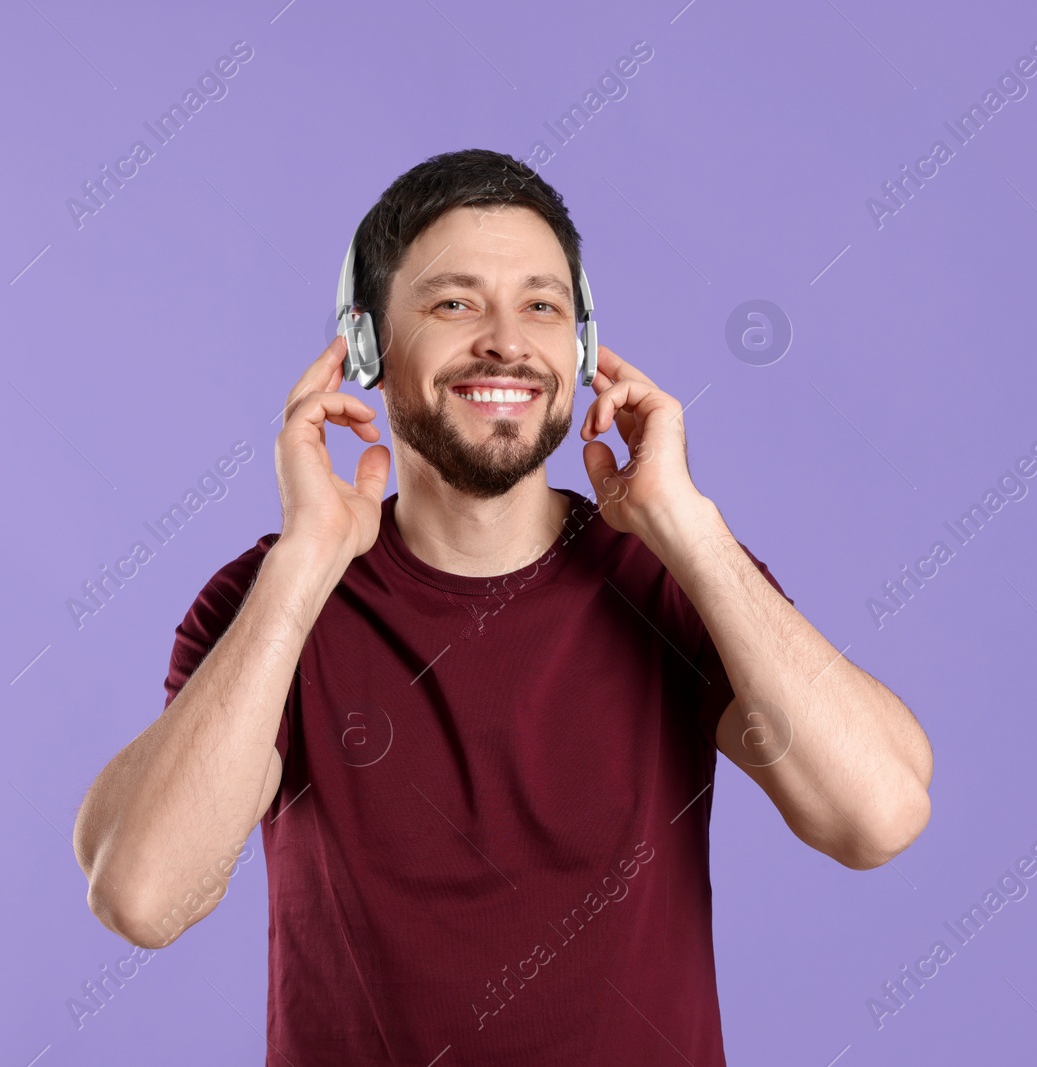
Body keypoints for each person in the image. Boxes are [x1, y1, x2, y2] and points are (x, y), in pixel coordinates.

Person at [72, 148, 933, 1066]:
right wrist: (304, 563)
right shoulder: (270, 597)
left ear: (584, 346)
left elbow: (876, 815)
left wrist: (689, 526)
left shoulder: (673, 575)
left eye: (543, 305)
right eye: (454, 303)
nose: (507, 342)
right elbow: (143, 894)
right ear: (365, 346)